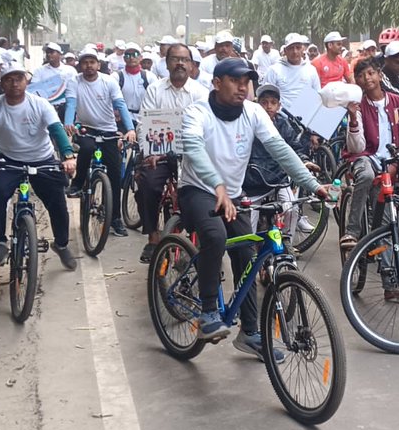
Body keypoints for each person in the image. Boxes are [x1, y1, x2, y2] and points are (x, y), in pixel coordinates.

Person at [177, 57, 331, 359]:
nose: (243, 87)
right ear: (217, 83)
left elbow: (281, 150)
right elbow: (193, 148)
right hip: (198, 189)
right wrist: (217, 185)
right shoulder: (198, 111)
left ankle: (249, 332)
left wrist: (312, 185)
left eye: (247, 82)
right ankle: (208, 312)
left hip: (232, 194)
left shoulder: (253, 111)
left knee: (247, 254)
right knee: (215, 235)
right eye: (235, 81)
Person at [0, 62, 78, 270]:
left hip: (42, 159)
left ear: (27, 81)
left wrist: (68, 155)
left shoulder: (40, 104)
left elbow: (56, 129)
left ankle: (61, 244)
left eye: (19, 78)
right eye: (9, 79)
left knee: (58, 202)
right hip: (10, 160)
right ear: (1, 83)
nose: (14, 83)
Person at [342, 57, 399, 305]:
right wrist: (353, 120)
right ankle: (351, 231)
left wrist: (398, 162)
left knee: (386, 222)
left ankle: (390, 283)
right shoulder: (358, 105)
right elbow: (357, 146)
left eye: (371, 73)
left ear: (379, 74)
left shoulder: (397, 102)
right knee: (364, 174)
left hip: (390, 163)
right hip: (367, 158)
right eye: (361, 76)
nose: (367, 79)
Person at [135, 43, 210, 262]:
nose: (180, 63)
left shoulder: (201, 93)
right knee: (147, 185)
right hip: (160, 154)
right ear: (166, 64)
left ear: (192, 65)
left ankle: (202, 243)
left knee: (203, 193)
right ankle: (153, 237)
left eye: (184, 60)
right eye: (175, 59)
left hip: (191, 155)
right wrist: (148, 152)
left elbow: (208, 127)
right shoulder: (155, 90)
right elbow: (143, 125)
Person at [64, 47, 137, 236]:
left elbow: (120, 105)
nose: (88, 65)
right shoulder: (74, 82)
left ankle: (115, 218)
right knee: (86, 148)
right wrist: (69, 123)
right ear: (80, 65)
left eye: (92, 62)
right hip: (85, 128)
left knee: (114, 175)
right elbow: (71, 103)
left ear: (98, 64)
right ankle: (78, 183)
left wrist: (129, 129)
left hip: (109, 131)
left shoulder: (109, 81)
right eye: (85, 62)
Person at [242, 83, 318, 247]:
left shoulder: (283, 125)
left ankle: (287, 243)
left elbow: (294, 148)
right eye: (264, 102)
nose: (268, 106)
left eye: (273, 102)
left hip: (279, 179)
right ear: (257, 103)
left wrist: (304, 161)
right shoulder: (248, 124)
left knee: (291, 209)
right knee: (248, 234)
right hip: (253, 183)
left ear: (279, 105)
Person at [262, 33, 320, 108]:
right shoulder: (274, 70)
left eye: (298, 48)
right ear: (285, 51)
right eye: (291, 48)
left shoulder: (311, 70)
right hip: (281, 117)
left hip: (305, 116)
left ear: (303, 50)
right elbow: (266, 97)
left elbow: (317, 96)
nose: (295, 51)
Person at [31, 42, 77, 123]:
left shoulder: (70, 70)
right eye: (47, 53)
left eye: (52, 52)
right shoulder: (39, 71)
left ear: (60, 55)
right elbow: (34, 89)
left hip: (65, 108)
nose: (49, 55)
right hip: (46, 108)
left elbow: (75, 90)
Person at [118, 43, 157, 128]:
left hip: (144, 120)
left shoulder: (150, 77)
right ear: (124, 58)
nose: (131, 58)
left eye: (135, 55)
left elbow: (157, 98)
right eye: (128, 55)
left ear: (140, 57)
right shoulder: (117, 77)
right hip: (122, 120)